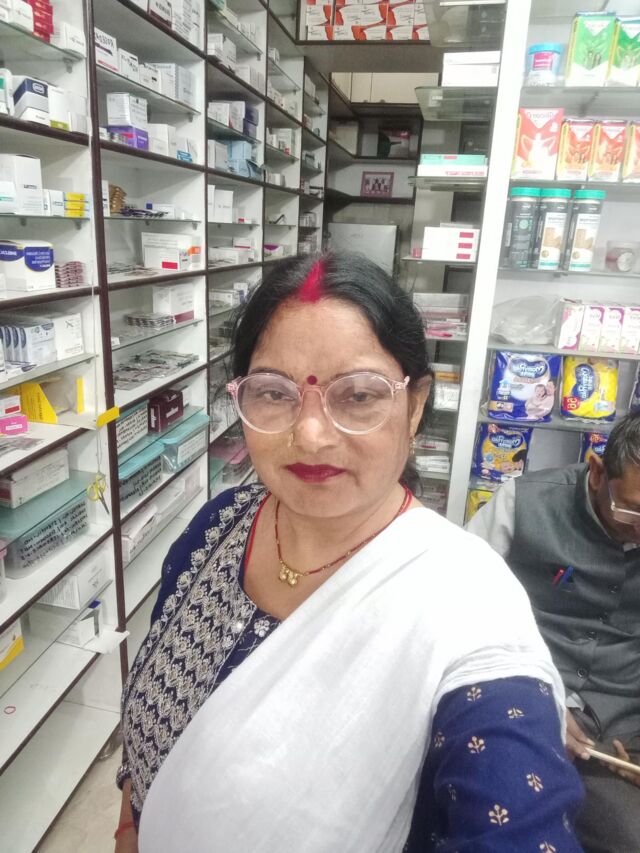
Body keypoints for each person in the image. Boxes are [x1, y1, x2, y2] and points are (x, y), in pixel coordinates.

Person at [114, 253, 583, 853]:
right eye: (274, 392)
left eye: (359, 395)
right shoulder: (221, 524)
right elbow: (150, 717)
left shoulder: (466, 603)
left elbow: (513, 808)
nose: (310, 435)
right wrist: (131, 824)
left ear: (415, 405)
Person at [467, 412, 640, 853]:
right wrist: (535, 691)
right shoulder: (523, 502)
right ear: (597, 472)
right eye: (632, 510)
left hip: (624, 725)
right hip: (519, 696)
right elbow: (456, 606)